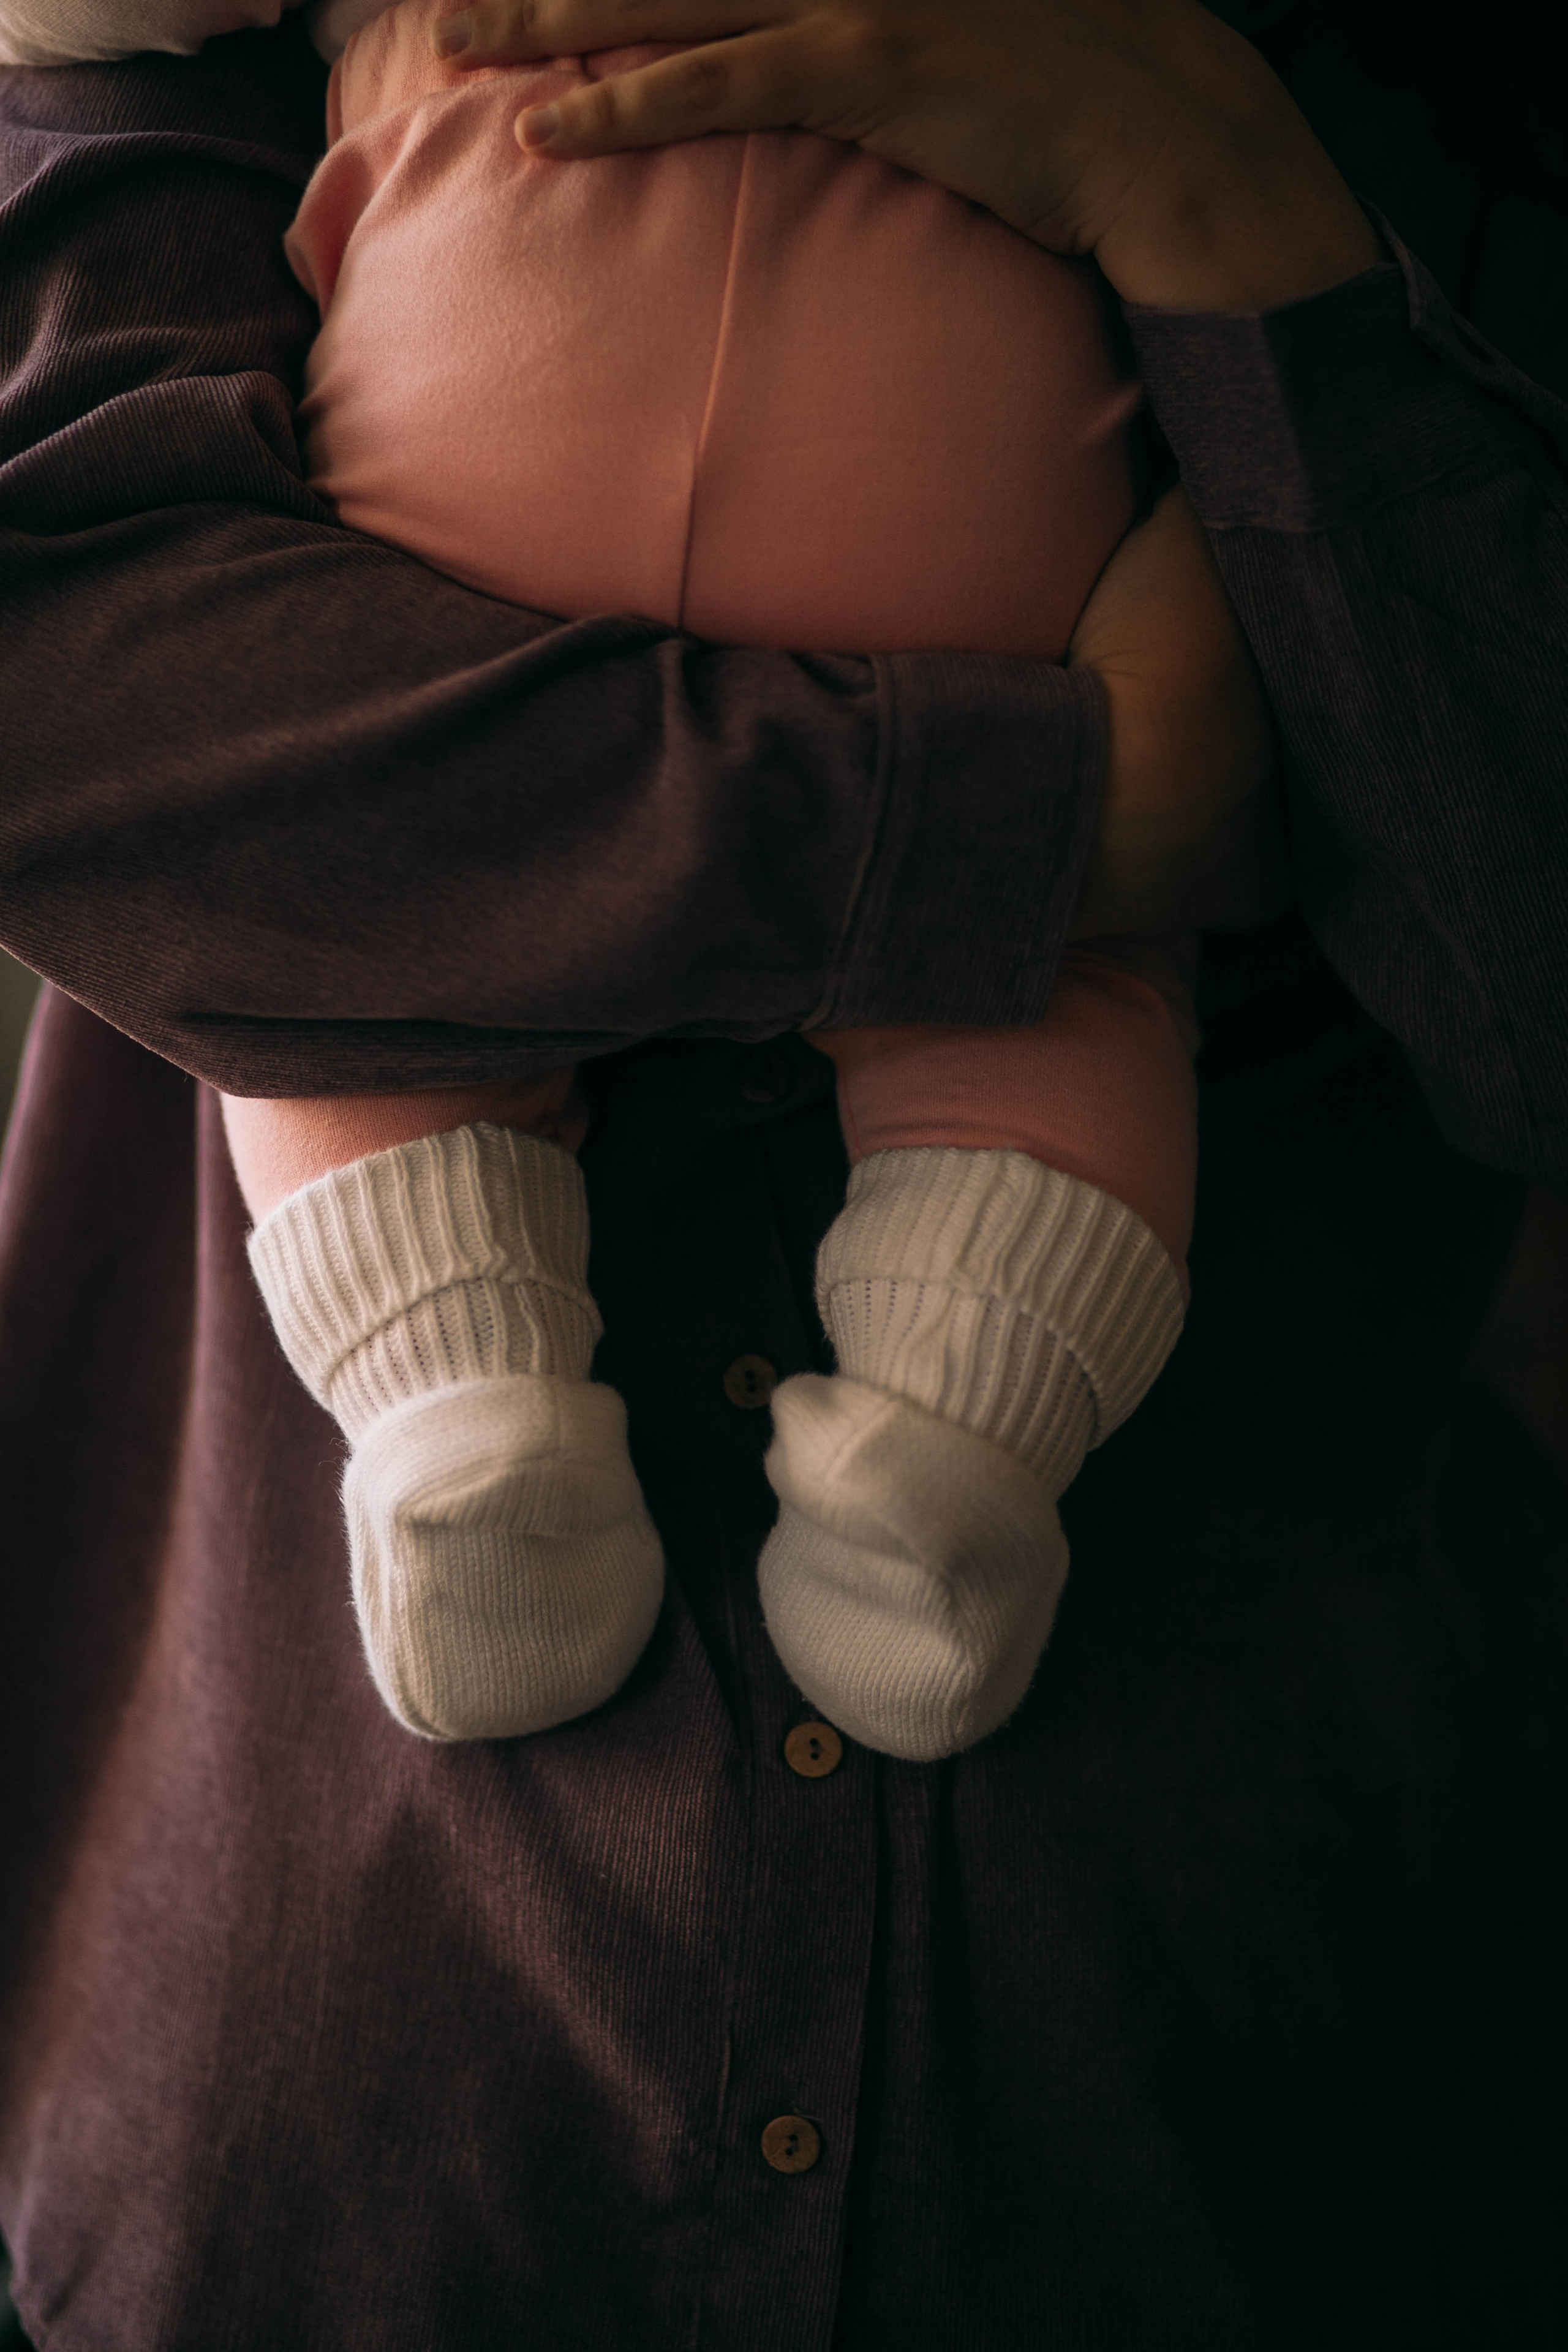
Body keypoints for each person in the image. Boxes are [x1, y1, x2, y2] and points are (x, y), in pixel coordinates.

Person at [1, 0, 1566, 2343]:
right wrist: (1045, 821)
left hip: (1238, 2092)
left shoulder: (1428, 85)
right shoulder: (218, 27)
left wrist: (1227, 193)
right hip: (332, 2106)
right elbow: (78, 734)